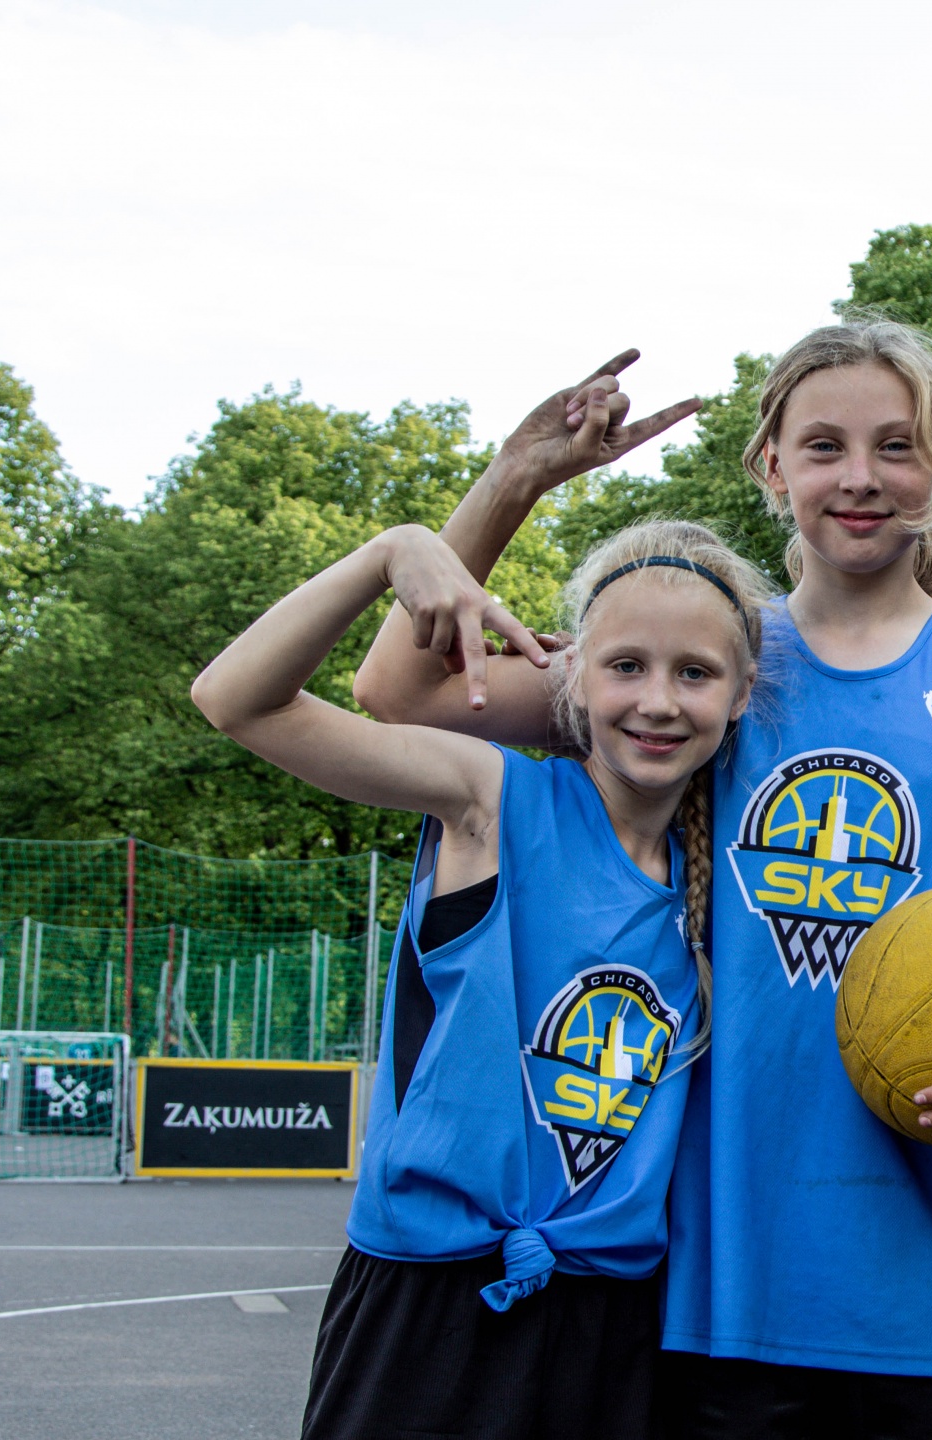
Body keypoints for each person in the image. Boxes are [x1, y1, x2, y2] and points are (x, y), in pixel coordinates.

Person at [353, 324, 932, 1439]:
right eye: (825, 446)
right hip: (709, 1295)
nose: (861, 476)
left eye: (896, 445)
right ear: (772, 468)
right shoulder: (699, 666)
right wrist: (513, 482)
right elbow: (398, 694)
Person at [192, 505, 765, 1436]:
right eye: (626, 665)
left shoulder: (729, 886)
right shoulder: (491, 797)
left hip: (613, 1320)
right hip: (428, 1299)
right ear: (571, 673)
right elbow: (238, 700)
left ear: (740, 696)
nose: (659, 701)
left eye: (694, 672)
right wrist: (390, 552)